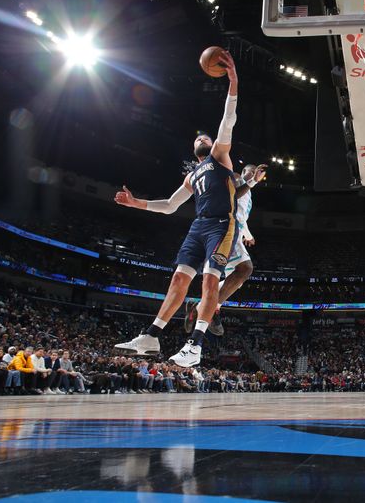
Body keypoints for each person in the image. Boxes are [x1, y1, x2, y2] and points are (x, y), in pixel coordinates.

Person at [113, 50, 242, 368]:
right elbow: (170, 206)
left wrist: (233, 83)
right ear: (193, 148)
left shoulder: (219, 158)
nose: (202, 137)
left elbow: (228, 120)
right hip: (197, 226)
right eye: (198, 137)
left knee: (210, 281)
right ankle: (151, 335)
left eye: (206, 136)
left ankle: (195, 345)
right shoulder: (192, 175)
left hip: (220, 225)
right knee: (178, 280)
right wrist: (136, 203)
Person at [184, 163, 267, 336]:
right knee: (245, 269)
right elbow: (233, 196)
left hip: (235, 231)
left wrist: (248, 235)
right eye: (250, 172)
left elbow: (241, 216)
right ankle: (211, 308)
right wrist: (252, 180)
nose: (253, 174)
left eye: (255, 173)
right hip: (225, 230)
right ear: (243, 173)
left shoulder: (249, 193)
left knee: (238, 278)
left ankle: (200, 306)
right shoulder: (236, 178)